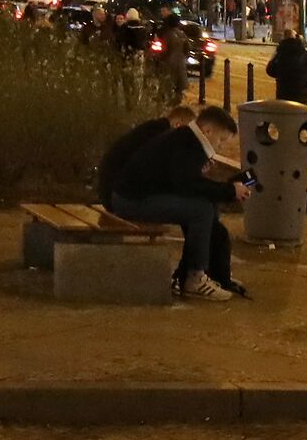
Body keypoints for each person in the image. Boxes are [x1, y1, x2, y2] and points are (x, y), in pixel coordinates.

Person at [98, 102, 252, 300]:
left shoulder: (186, 139)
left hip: (134, 195)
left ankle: (198, 271)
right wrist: (230, 190)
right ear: (207, 131)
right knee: (201, 210)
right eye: (221, 140)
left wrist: (227, 190)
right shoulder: (188, 144)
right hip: (131, 200)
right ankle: (194, 278)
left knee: (205, 207)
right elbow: (188, 186)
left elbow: (185, 182)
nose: (220, 146)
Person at [267, 33, 307, 104]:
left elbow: (270, 70)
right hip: (300, 92)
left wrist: (273, 57)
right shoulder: (302, 51)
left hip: (283, 92)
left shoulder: (280, 52)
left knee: (285, 112)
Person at [160, 20, 190, 108]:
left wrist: (161, 58)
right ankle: (177, 103)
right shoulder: (182, 34)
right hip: (180, 63)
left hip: (169, 63)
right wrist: (183, 57)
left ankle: (169, 104)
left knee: (168, 84)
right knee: (179, 85)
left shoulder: (167, 35)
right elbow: (187, 49)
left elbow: (164, 50)